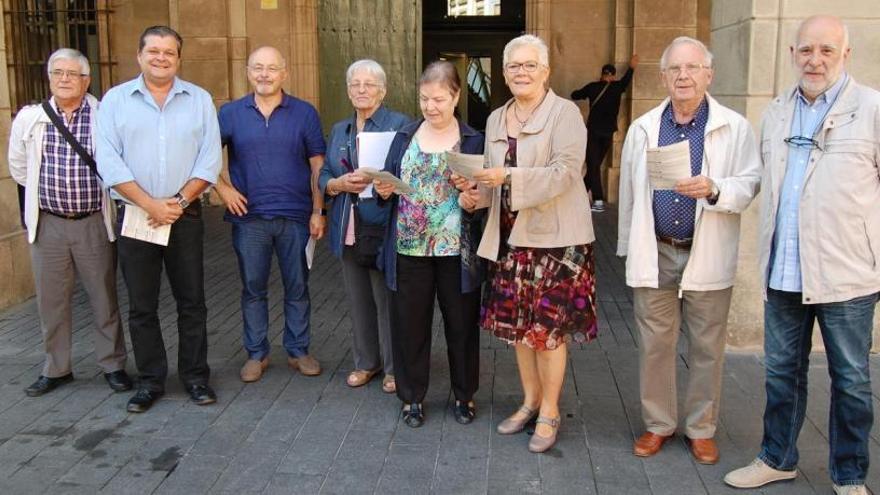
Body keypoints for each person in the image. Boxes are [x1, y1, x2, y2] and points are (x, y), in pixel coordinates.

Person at [725, 16, 880, 495]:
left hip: (846, 274)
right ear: (792, 54)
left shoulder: (872, 109)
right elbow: (757, 178)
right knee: (781, 373)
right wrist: (717, 190)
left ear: (845, 56)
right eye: (806, 50)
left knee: (851, 380)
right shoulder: (775, 112)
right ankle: (777, 457)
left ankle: (850, 475)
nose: (815, 60)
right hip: (782, 270)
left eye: (827, 51)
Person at [617, 36, 760, 464]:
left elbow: (751, 181)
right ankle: (659, 424)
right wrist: (627, 245)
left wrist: (716, 188)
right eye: (675, 69)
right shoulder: (645, 127)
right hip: (657, 248)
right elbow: (628, 190)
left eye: (693, 68)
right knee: (655, 344)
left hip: (706, 247)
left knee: (707, 344)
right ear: (662, 77)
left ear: (708, 75)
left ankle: (701, 428)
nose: (683, 76)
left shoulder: (734, 127)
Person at [460, 34, 597, 454]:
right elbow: (491, 179)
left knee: (548, 333)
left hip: (557, 243)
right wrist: (475, 194)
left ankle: (551, 411)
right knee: (520, 332)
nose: (521, 72)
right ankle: (529, 401)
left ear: (545, 71)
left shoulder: (566, 114)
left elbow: (566, 173)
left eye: (529, 65)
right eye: (514, 66)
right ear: (503, 74)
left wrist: (508, 179)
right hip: (510, 239)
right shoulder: (497, 118)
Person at [96, 25, 222, 413]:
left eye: (169, 52)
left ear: (178, 59)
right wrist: (150, 203)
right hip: (137, 216)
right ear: (140, 55)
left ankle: (196, 377)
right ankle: (150, 380)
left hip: (184, 216)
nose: (161, 58)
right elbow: (108, 161)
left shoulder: (199, 99)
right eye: (154, 51)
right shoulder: (115, 101)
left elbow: (210, 158)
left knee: (192, 302)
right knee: (142, 305)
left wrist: (178, 201)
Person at [8, 48, 130, 397]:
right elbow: (19, 169)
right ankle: (56, 367)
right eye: (57, 72)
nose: (64, 79)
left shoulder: (104, 115)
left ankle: (113, 364)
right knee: (52, 301)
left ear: (86, 80)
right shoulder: (30, 119)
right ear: (49, 78)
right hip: (49, 224)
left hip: (92, 220)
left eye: (72, 74)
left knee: (103, 297)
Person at [374, 60, 484, 428]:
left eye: (438, 99)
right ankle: (412, 398)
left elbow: (486, 196)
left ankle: (464, 394)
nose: (430, 106)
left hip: (456, 251)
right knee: (410, 327)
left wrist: (472, 193)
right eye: (424, 99)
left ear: (455, 96)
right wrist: (383, 190)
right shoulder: (404, 137)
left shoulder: (472, 139)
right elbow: (385, 190)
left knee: (462, 326)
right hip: (409, 249)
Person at [214, 46, 327, 383]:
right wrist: (223, 188)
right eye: (258, 68)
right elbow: (204, 156)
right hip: (249, 217)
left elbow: (317, 164)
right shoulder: (231, 113)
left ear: (284, 73)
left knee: (297, 286)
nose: (264, 74)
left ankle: (298, 350)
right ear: (248, 71)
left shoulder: (304, 113)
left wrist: (318, 210)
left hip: (295, 216)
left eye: (272, 68)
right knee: (253, 287)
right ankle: (256, 353)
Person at [319, 59, 409, 393]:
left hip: (383, 225)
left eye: (369, 84)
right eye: (355, 84)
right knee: (358, 302)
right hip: (348, 226)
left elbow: (409, 175)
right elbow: (324, 175)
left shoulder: (399, 125)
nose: (361, 89)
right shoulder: (340, 129)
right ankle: (365, 363)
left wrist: (387, 182)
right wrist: (337, 184)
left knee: (387, 300)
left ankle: (393, 368)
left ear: (382, 90)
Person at [571, 54, 639, 212]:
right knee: (595, 165)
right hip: (608, 133)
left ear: (602, 75)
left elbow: (575, 95)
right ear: (613, 76)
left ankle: (598, 200)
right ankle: (580, 194)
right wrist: (631, 67)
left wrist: (583, 92)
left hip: (593, 132)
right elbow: (626, 80)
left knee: (593, 166)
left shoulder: (592, 87)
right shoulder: (617, 87)